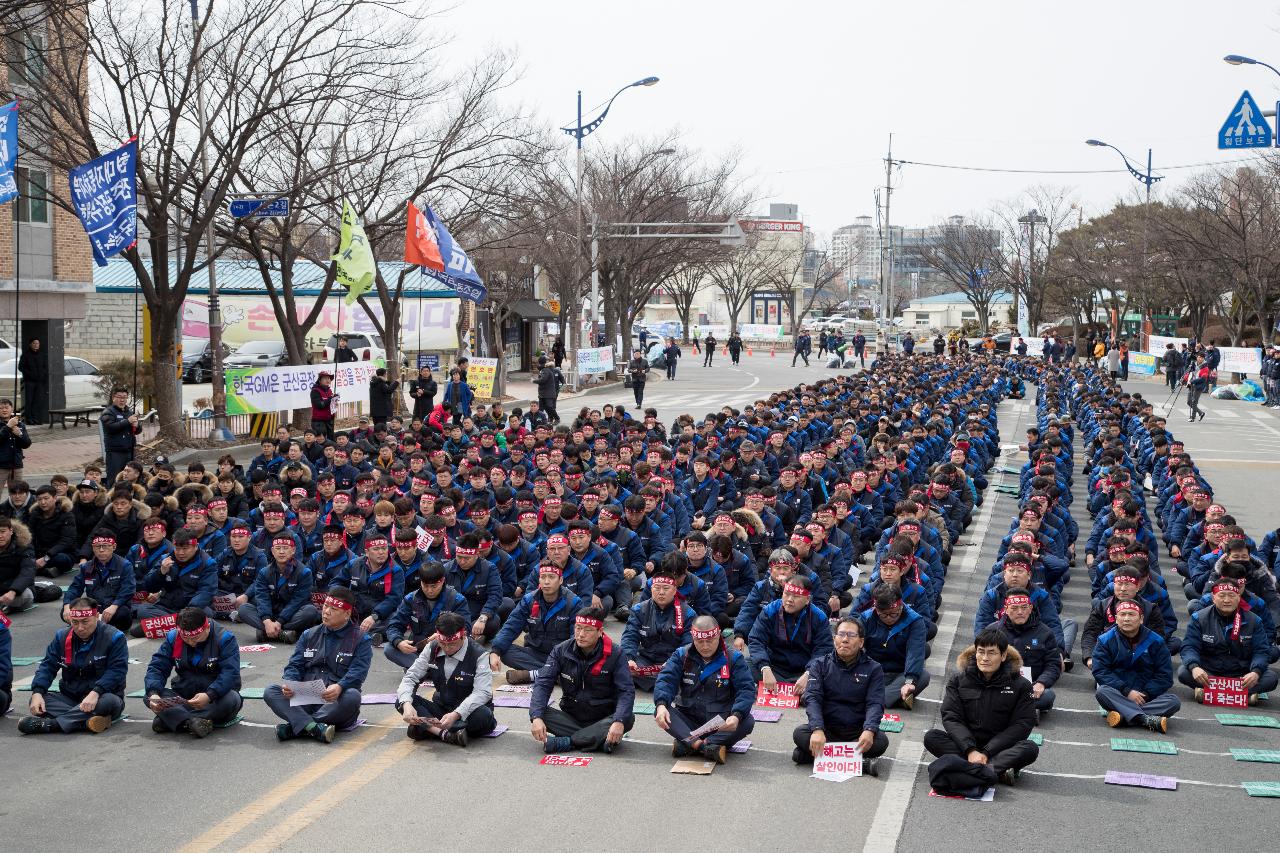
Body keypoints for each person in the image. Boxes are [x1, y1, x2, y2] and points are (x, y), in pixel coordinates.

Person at [923, 626, 1040, 788]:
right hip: (965, 746)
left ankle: (974, 768)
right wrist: (970, 750)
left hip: (1000, 748)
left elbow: (1022, 724)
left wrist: (986, 752)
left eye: (991, 653)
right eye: (981, 651)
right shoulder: (958, 680)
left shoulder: (1021, 685)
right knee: (932, 737)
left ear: (1004, 655)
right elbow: (951, 717)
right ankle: (994, 771)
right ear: (975, 652)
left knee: (1030, 748)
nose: (984, 658)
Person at [265, 588, 372, 743]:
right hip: (307, 694)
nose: (326, 612)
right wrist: (289, 683)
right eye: (325, 606)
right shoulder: (309, 634)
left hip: (334, 699)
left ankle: (298, 725)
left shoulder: (361, 639)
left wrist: (340, 686)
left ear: (347, 614)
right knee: (271, 691)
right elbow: (295, 665)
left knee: (353, 696)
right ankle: (313, 728)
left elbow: (358, 672)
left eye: (333, 609)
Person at [530, 606, 636, 754]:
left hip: (603, 718)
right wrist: (536, 717)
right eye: (578, 628)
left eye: (588, 630)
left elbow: (626, 691)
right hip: (571, 716)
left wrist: (618, 721)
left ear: (600, 632)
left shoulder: (616, 653)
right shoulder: (561, 650)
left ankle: (569, 742)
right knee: (540, 712)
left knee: (627, 717)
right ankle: (597, 740)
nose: (581, 634)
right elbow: (543, 684)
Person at [792, 615, 890, 773]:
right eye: (841, 634)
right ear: (834, 639)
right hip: (827, 730)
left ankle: (815, 756)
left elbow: (875, 703)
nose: (845, 640)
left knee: (880, 741)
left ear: (861, 642)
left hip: (857, 731)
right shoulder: (819, 664)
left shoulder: (874, 668)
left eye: (851, 635)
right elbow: (813, 698)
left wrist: (869, 730)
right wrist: (817, 729)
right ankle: (861, 763)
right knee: (800, 733)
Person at [653, 615, 756, 764]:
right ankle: (702, 746)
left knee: (747, 721)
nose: (705, 646)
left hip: (720, 724)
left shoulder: (734, 658)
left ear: (719, 635)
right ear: (692, 638)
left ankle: (690, 743)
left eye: (710, 641)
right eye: (700, 641)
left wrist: (736, 715)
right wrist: (661, 704)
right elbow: (666, 680)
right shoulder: (682, 655)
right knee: (660, 710)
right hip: (689, 720)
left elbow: (746, 690)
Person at [19, 597, 128, 734]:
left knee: (109, 702)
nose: (80, 628)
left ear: (96, 616)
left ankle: (52, 725)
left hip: (101, 696)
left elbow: (117, 671)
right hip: (71, 698)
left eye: (85, 622)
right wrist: (37, 692)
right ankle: (88, 721)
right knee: (39, 701)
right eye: (75, 622)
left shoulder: (114, 637)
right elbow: (48, 666)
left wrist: (96, 692)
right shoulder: (62, 636)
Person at [395, 611, 496, 746]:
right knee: (401, 700)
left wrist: (456, 714)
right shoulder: (432, 647)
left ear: (463, 636)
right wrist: (407, 705)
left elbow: (483, 692)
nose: (447, 648)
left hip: (469, 712)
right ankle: (444, 734)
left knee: (483, 716)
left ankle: (427, 729)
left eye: (452, 644)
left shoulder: (479, 654)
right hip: (443, 708)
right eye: (443, 644)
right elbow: (411, 677)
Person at [144, 606, 243, 737]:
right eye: (186, 638)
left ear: (207, 627)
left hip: (214, 699)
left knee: (232, 699)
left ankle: (174, 719)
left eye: (196, 637)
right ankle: (191, 722)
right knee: (149, 697)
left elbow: (230, 674)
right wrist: (154, 693)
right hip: (185, 697)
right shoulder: (174, 637)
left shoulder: (224, 638)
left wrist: (210, 695)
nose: (191, 642)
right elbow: (158, 667)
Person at [1179, 578, 1278, 699]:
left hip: (1241, 674)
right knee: (1184, 672)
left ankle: (1210, 693)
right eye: (1222, 596)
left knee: (1271, 678)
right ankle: (1243, 695)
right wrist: (1195, 667)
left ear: (1238, 597)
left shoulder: (1254, 621)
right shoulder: (1199, 618)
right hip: (1209, 672)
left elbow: (1261, 651)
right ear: (1213, 597)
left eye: (1231, 596)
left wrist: (1255, 672)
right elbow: (1189, 646)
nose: (1226, 600)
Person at [1091, 599, 1179, 732]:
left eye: (1131, 614)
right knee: (1102, 691)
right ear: (1116, 618)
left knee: (1173, 701)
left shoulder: (1156, 641)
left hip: (1146, 697)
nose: (1126, 619)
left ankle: (1123, 716)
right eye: (1122, 614)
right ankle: (1144, 719)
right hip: (1119, 694)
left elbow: (1164, 676)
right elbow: (1100, 671)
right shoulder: (1105, 640)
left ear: (1141, 618)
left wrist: (1145, 694)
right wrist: (1127, 692)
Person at [489, 562, 583, 684]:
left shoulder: (574, 602)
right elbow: (511, 626)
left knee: (578, 663)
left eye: (551, 577)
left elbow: (575, 639)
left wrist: (569, 659)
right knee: (505, 652)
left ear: (560, 580)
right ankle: (558, 676)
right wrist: (495, 651)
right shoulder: (529, 600)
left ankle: (532, 675)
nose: (546, 581)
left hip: (562, 656)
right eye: (543, 577)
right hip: (536, 654)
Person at [747, 573, 833, 688]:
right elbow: (756, 639)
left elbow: (823, 649)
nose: (789, 600)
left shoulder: (819, 617)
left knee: (830, 671)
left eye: (796, 596)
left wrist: (809, 673)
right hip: (774, 667)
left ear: (807, 599)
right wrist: (765, 668)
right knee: (746, 663)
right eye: (786, 594)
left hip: (803, 670)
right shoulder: (769, 611)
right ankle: (795, 690)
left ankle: (784, 688)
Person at [621, 569, 695, 691]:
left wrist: (674, 661)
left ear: (675, 590)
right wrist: (629, 659)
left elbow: (689, 644)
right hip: (646, 659)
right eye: (657, 588)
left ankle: (659, 681)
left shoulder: (687, 613)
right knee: (622, 666)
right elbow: (630, 636)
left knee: (688, 670)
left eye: (666, 588)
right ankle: (664, 683)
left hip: (673, 659)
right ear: (651, 590)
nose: (661, 593)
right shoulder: (639, 609)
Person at [861, 582, 930, 709]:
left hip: (900, 673)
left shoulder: (915, 621)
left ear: (901, 606)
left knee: (923, 676)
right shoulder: (867, 618)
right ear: (876, 609)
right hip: (872, 671)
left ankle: (877, 697)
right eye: (883, 615)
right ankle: (891, 698)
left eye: (893, 614)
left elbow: (914, 653)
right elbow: (856, 647)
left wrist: (909, 681)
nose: (888, 618)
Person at [100, 387, 141, 484]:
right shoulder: (108, 412)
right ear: (113, 398)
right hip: (115, 452)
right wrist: (127, 421)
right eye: (119, 397)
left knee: (129, 478)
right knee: (115, 478)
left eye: (125, 397)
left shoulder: (129, 412)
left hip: (129, 450)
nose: (122, 400)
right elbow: (110, 427)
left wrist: (137, 426)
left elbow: (136, 431)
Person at [0, 399, 31, 491]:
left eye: (6, 407)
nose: (4, 410)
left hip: (16, 465)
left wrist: (20, 435)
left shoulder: (20, 424)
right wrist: (8, 427)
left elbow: (26, 444)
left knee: (17, 494)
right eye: (1, 408)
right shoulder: (9, 425)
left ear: (12, 409)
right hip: (1, 465)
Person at [18, 338, 49, 425]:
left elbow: (45, 367)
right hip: (30, 382)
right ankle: (29, 418)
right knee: (29, 400)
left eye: (38, 343)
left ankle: (35, 418)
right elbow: (20, 367)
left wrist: (43, 374)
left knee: (37, 400)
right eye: (34, 343)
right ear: (30, 344)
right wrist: (29, 374)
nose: (36, 345)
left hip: (39, 382)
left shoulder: (42, 355)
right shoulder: (25, 355)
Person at [309, 372, 337, 441]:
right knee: (321, 440)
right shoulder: (315, 391)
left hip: (329, 420)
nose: (328, 380)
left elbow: (330, 404)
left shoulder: (329, 390)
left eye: (329, 378)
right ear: (319, 380)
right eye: (325, 378)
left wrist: (335, 399)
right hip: (319, 421)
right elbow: (319, 405)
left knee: (331, 440)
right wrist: (330, 399)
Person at [1184, 352, 1209, 422]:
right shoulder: (1194, 364)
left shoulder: (1205, 367)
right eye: (1198, 357)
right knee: (1189, 402)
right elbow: (1189, 371)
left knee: (1194, 401)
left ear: (1203, 358)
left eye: (1201, 357)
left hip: (1198, 386)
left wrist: (1192, 381)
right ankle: (1201, 413)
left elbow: (1203, 379)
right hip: (1191, 385)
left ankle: (1192, 417)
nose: (1199, 358)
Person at [535, 356, 560, 424]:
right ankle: (540, 421)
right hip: (543, 392)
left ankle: (557, 418)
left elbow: (543, 380)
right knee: (541, 408)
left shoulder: (545, 370)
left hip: (548, 393)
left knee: (549, 407)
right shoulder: (543, 370)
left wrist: (534, 381)